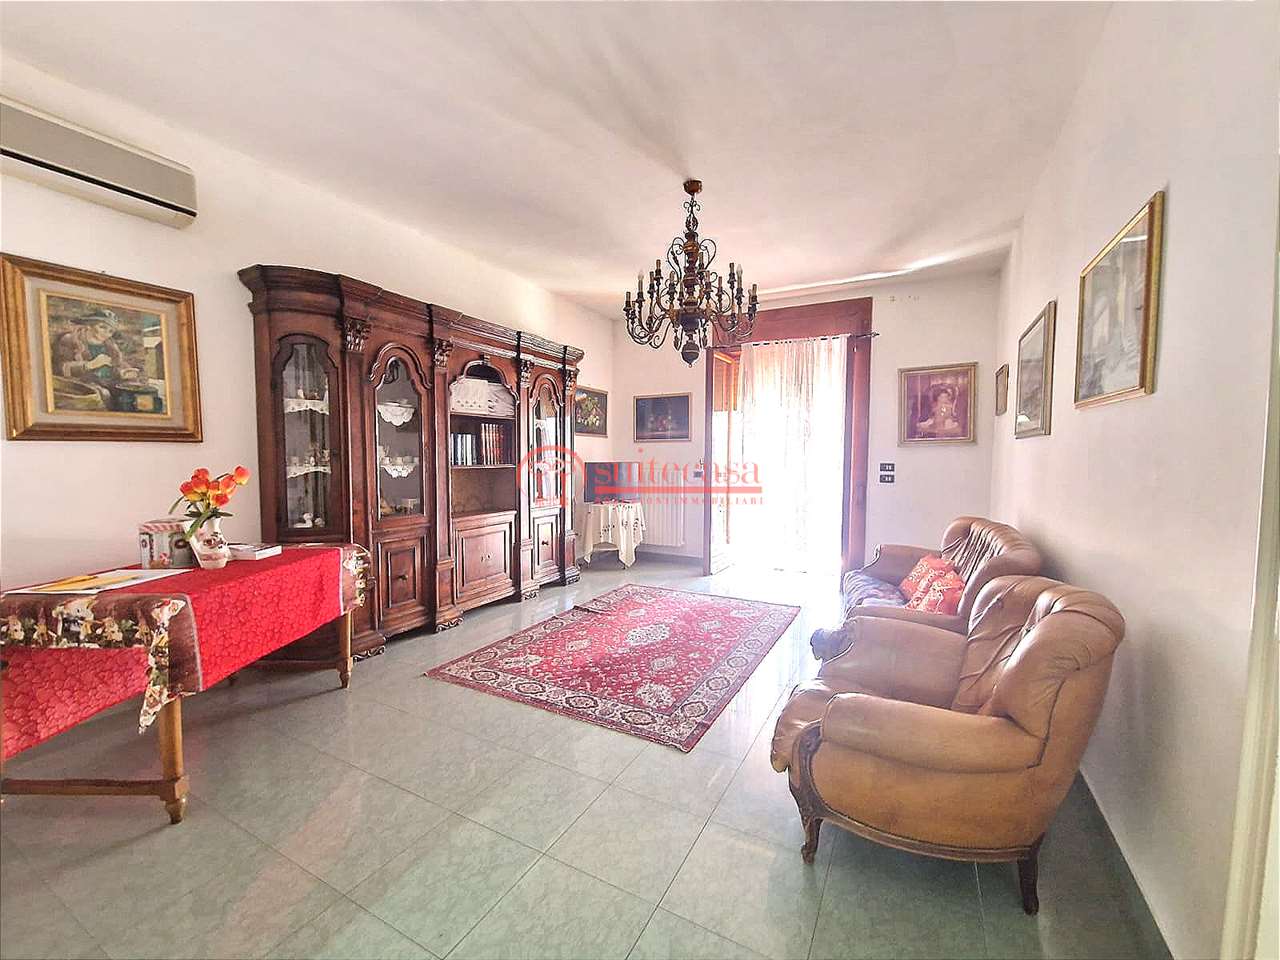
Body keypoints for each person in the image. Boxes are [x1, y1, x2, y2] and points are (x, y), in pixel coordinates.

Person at [51, 308, 141, 408]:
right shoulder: (70, 340)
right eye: (102, 327)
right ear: (89, 325)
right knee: (104, 394)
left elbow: (118, 364)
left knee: (133, 390)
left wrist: (122, 372)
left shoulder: (110, 346)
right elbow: (59, 368)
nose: (106, 333)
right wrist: (89, 365)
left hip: (108, 382)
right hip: (81, 384)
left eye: (110, 331)